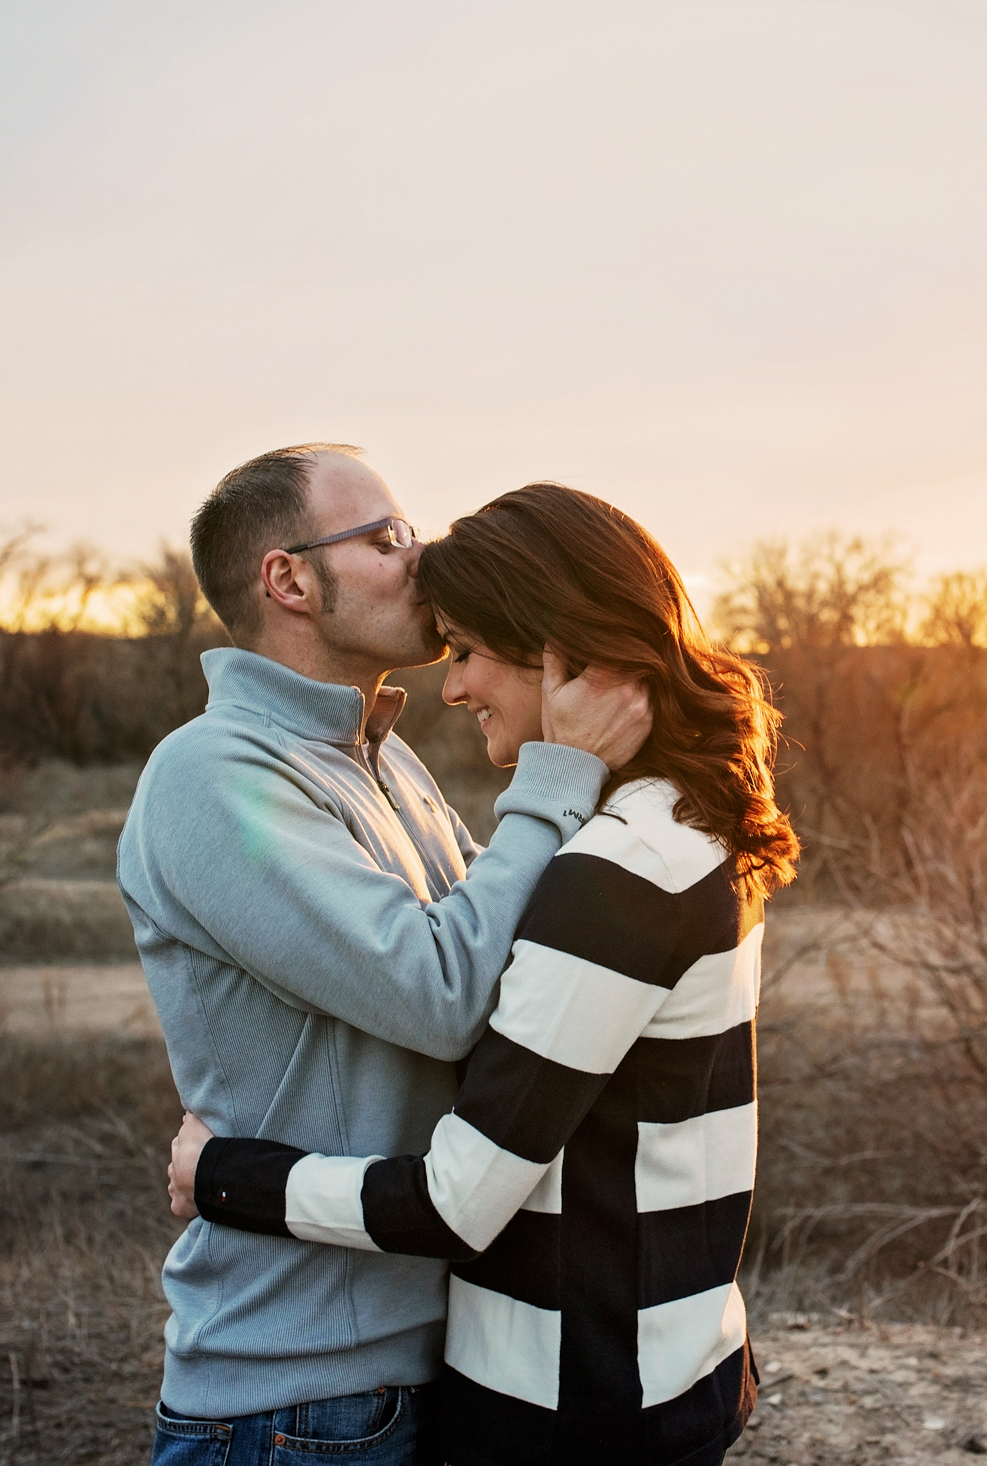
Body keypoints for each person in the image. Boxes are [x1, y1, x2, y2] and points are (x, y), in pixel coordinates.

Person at [166, 483, 799, 1466]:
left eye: (465, 650)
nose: (452, 688)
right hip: (666, 1365)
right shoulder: (676, 821)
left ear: (565, 652)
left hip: (565, 1407)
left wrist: (225, 1175)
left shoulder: (617, 869)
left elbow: (459, 1199)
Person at [120, 446, 652, 1466]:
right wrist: (560, 770)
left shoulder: (382, 757)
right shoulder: (214, 777)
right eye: (385, 539)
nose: (424, 556)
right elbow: (445, 989)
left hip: (416, 1369)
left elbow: (507, 940)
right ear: (289, 580)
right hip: (292, 1402)